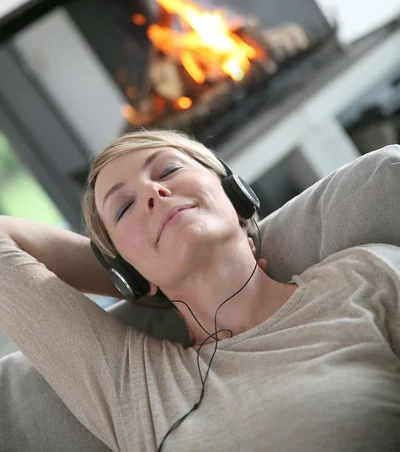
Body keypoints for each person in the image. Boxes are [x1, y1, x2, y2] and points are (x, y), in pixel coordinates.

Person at [0, 129, 400, 452]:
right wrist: (139, 276)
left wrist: (157, 253)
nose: (153, 193)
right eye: (123, 208)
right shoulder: (135, 385)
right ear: (128, 273)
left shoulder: (362, 275)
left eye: (168, 170)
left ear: (235, 193)